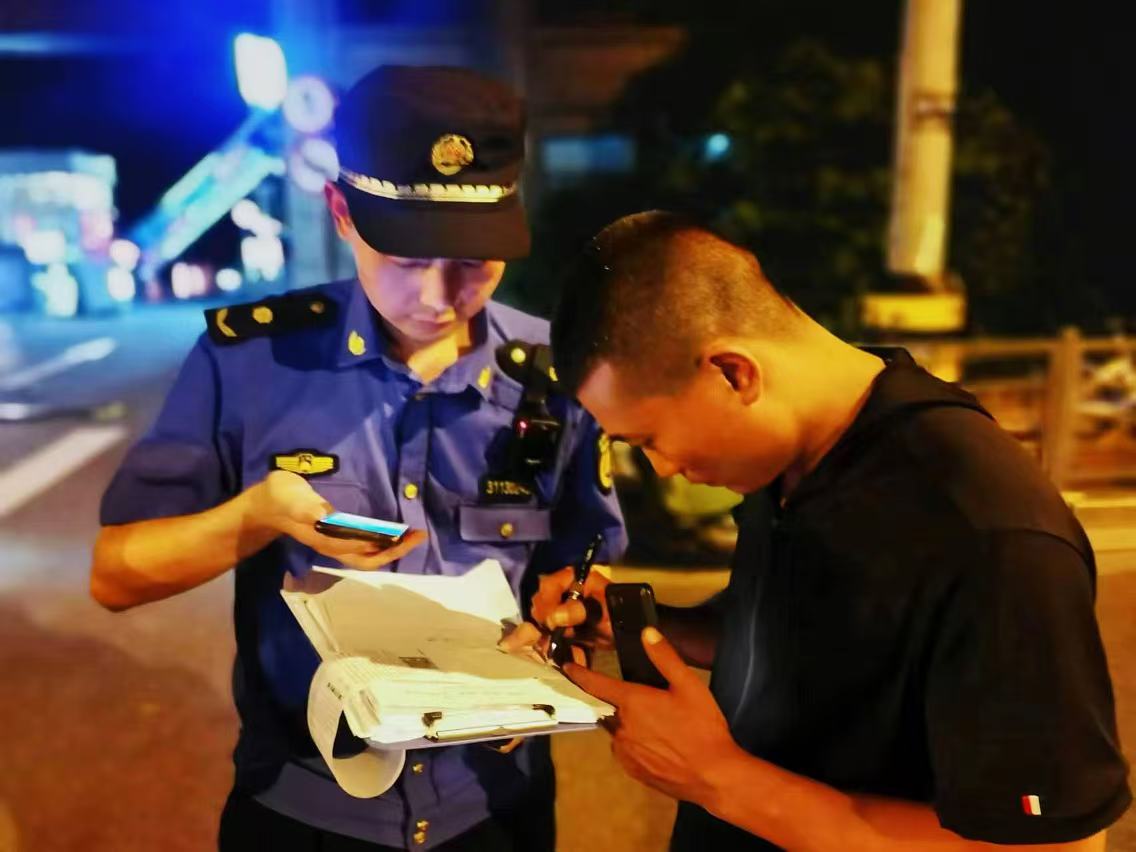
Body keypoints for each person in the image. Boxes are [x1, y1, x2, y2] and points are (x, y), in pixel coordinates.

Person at [90, 66, 626, 852]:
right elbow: (116, 575)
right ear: (342, 213)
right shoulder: (250, 361)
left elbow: (582, 565)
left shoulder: (554, 371)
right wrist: (256, 516)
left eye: (474, 259)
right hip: (305, 808)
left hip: (494, 806)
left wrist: (565, 615)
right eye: (406, 259)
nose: (439, 295)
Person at [504, 211, 1131, 850]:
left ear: (733, 372)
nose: (662, 468)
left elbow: (1052, 844)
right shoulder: (788, 459)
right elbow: (828, 638)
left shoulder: (989, 534)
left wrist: (718, 778)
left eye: (650, 439)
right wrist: (653, 624)